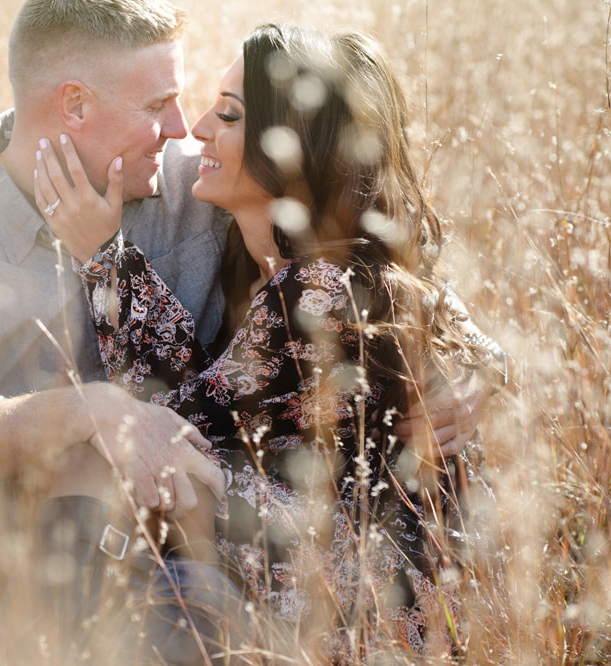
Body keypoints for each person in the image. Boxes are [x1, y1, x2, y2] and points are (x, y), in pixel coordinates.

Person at [0, 1, 497, 663]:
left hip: (161, 572)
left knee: (183, 607)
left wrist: (467, 372)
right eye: (159, 105)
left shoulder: (202, 186)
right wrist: (82, 412)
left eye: (199, 108)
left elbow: (364, 247)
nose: (184, 128)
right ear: (75, 104)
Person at [34, 22, 505, 660]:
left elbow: (169, 426)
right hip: (314, 575)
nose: (197, 126)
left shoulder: (324, 290)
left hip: (376, 614)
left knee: (122, 470)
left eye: (228, 116)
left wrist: (103, 257)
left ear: (294, 147)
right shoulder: (272, 267)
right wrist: (489, 369)